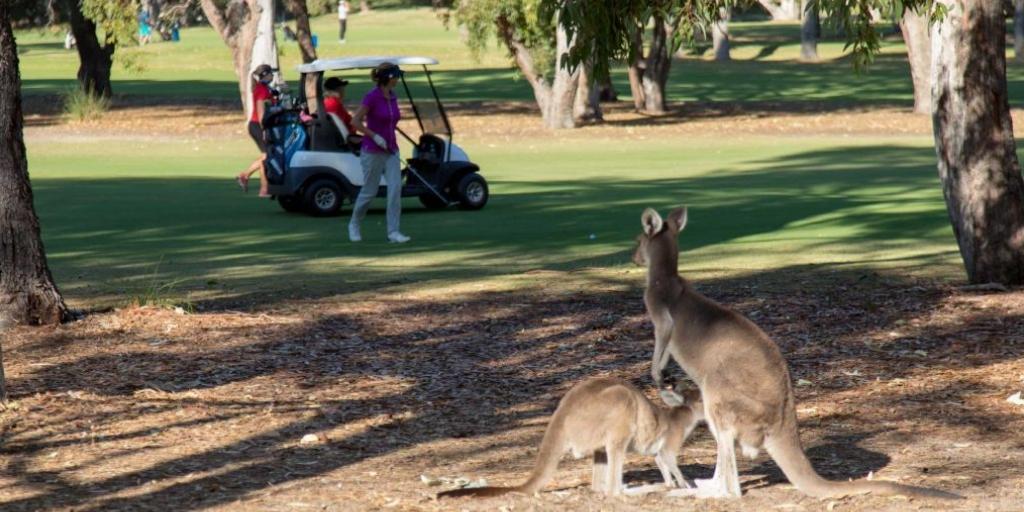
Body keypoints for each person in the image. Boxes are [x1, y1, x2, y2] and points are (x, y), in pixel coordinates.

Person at [348, 62, 410, 243]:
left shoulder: (393, 96)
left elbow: (392, 121)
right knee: (370, 191)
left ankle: (393, 232)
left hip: (391, 150)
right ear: (388, 78)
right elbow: (355, 122)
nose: (398, 79)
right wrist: (374, 136)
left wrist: (387, 138)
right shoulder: (372, 97)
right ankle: (354, 224)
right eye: (396, 76)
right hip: (372, 150)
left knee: (395, 188)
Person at [237, 64, 278, 197]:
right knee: (266, 157)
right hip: (257, 126)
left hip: (258, 126)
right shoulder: (261, 89)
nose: (272, 76)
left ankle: (246, 176)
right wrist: (265, 130)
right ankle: (263, 189)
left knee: (266, 156)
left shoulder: (265, 88)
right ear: (265, 75)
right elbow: (261, 112)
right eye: (271, 73)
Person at [323, 77, 359, 144]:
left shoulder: (326, 102)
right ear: (337, 90)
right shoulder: (335, 105)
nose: (344, 90)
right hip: (345, 140)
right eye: (342, 88)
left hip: (338, 138)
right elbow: (346, 126)